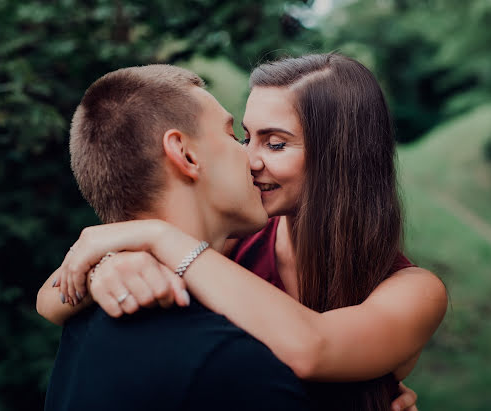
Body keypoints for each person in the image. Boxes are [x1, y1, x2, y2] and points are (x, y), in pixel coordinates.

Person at [40, 54, 445, 410]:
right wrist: (106, 268)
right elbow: (49, 301)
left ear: (341, 157)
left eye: (276, 144)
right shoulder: (239, 237)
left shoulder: (415, 292)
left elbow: (314, 348)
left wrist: (157, 238)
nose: (250, 160)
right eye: (246, 137)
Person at [42, 65, 312, 411]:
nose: (251, 159)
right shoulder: (230, 361)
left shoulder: (84, 322)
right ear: (185, 155)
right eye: (234, 137)